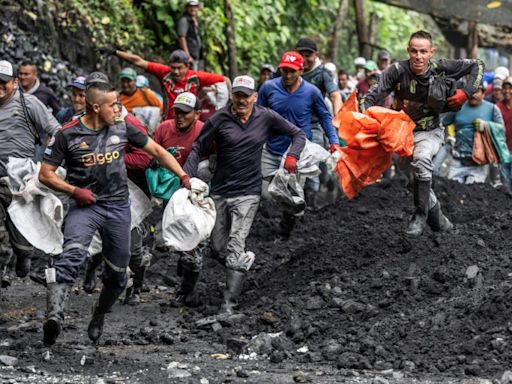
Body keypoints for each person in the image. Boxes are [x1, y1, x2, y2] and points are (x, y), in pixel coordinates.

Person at [39, 74, 191, 346]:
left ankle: (98, 314)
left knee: (118, 277)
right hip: (85, 207)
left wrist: (184, 177)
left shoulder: (122, 128)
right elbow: (45, 174)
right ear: (96, 107)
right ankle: (54, 316)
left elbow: (156, 151)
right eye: (113, 105)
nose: (118, 110)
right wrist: (75, 192)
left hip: (119, 208)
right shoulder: (67, 133)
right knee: (71, 256)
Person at [184, 75, 305, 314]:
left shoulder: (265, 117)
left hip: (248, 193)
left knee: (234, 245)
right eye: (237, 95)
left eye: (246, 96)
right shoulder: (220, 118)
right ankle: (239, 265)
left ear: (254, 97)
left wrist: (293, 156)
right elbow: (198, 146)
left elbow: (298, 134)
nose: (241, 100)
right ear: (232, 96)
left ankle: (228, 306)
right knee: (217, 248)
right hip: (220, 191)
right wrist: (187, 178)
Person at [362, 30, 484, 238]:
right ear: (408, 51)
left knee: (421, 159)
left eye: (423, 52)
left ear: (431, 52)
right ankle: (441, 222)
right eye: (414, 51)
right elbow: (373, 94)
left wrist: (465, 93)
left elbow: (478, 65)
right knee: (413, 181)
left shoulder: (441, 68)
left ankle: (419, 214)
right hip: (401, 134)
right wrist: (363, 115)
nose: (418, 56)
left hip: (430, 130)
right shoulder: (396, 70)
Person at [257, 51, 340, 238]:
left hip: (299, 149)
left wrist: (333, 141)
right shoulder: (268, 88)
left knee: (292, 192)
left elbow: (325, 117)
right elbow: (257, 116)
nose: (287, 75)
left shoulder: (312, 92)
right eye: (284, 71)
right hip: (271, 147)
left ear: (301, 71)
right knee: (268, 194)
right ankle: (289, 212)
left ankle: (288, 225)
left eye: (292, 72)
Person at [0, 60, 60, 283]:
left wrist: (51, 165)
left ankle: (23, 255)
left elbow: (57, 132)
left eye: (3, 82)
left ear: (14, 83)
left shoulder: (29, 104)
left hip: (21, 181)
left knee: (21, 239)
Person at [152, 92, 204, 306]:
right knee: (166, 239)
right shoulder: (164, 128)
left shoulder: (203, 131)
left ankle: (187, 291)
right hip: (169, 192)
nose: (180, 117)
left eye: (185, 113)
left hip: (196, 194)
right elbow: (151, 152)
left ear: (197, 114)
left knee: (193, 243)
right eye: (177, 112)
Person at [99, 47, 226, 121]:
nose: (176, 72)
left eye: (180, 68)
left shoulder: (196, 77)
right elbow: (138, 61)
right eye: (173, 67)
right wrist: (115, 52)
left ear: (187, 66)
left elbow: (224, 79)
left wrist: (228, 102)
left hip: (190, 122)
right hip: (168, 122)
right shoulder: (164, 73)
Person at [443, 85, 504, 184]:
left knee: (474, 194)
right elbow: (442, 123)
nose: (473, 95)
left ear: (483, 93)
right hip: (458, 160)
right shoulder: (458, 106)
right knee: (453, 192)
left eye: (477, 92)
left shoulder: (492, 108)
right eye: (471, 92)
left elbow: (501, 130)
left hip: (479, 163)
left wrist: (486, 125)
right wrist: (447, 138)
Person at [18, 61, 61, 160]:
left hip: (40, 138)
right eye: (20, 73)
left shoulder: (45, 92)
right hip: (19, 137)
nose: (22, 77)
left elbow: (58, 112)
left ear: (35, 75)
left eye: (26, 74)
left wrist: (52, 133)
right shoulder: (13, 91)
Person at [295, 38, 342, 115]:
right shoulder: (288, 70)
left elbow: (335, 96)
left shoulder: (323, 73)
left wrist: (339, 119)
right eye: (301, 55)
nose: (304, 59)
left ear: (316, 55)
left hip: (313, 121)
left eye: (308, 56)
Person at [177, 0, 202, 70]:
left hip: (196, 56)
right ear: (186, 8)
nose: (193, 9)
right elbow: (182, 38)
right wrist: (187, 56)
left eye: (195, 7)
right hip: (189, 57)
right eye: (190, 6)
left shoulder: (196, 20)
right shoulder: (184, 20)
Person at [497, 77, 512, 191]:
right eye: (505, 88)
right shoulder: (498, 107)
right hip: (503, 149)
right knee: (505, 179)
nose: (507, 91)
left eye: (510, 88)